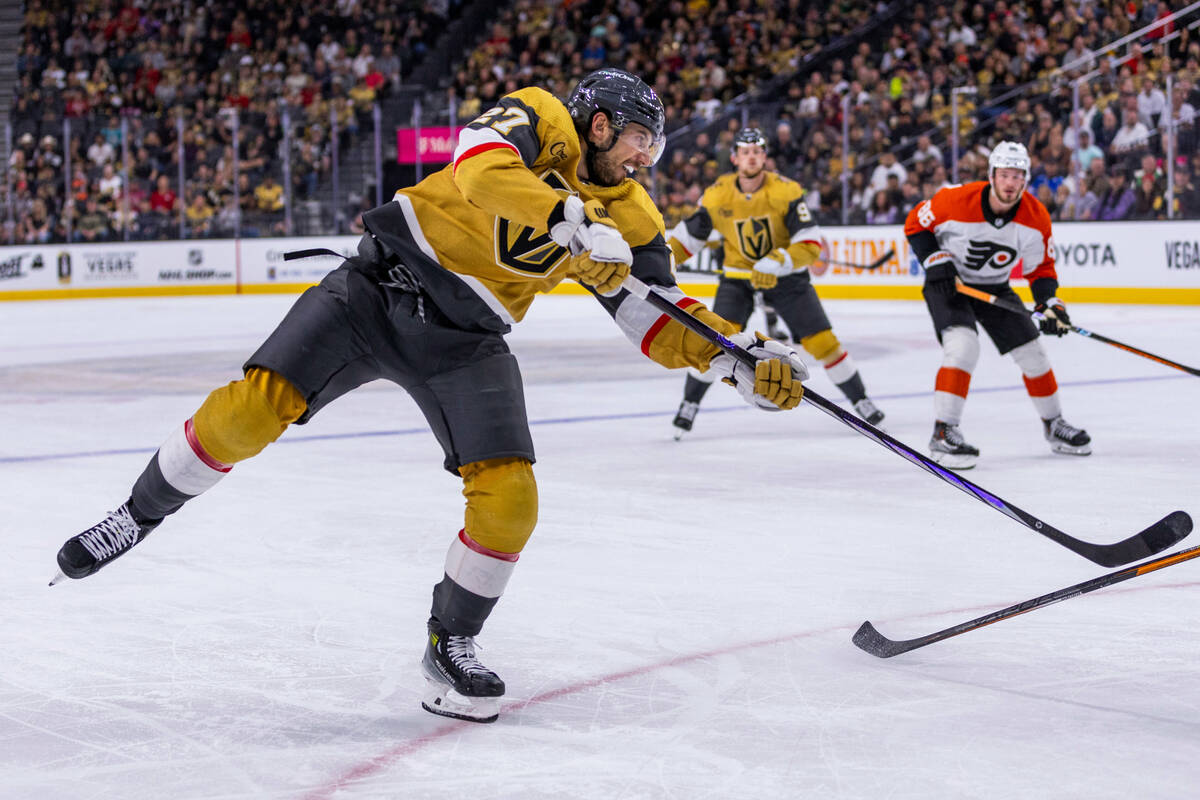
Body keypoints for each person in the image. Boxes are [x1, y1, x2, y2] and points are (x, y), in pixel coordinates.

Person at [49, 69, 808, 725]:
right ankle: (135, 515)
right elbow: (478, 168)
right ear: (600, 123)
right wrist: (567, 220)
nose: (648, 156)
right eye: (641, 137)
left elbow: (657, 316)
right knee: (252, 409)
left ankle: (451, 641)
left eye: (655, 144)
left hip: (466, 341)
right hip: (373, 293)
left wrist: (740, 361)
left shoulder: (635, 215)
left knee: (511, 500)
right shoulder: (542, 117)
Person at [667, 127, 885, 439]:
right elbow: (689, 237)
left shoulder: (787, 190)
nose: (751, 157)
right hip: (738, 280)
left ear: (765, 156)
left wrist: (780, 260)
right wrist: (664, 260)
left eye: (757, 151)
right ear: (735, 158)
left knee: (823, 343)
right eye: (745, 152)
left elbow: (809, 242)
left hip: (785, 278)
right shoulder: (717, 194)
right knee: (713, 343)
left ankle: (861, 400)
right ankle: (689, 404)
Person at [904, 141, 1091, 470]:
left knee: (1034, 354)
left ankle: (1054, 425)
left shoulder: (1036, 218)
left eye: (1017, 176)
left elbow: (1041, 271)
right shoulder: (954, 199)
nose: (1009, 182)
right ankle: (943, 433)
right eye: (1004, 174)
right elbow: (915, 223)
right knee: (963, 348)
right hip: (949, 282)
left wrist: (1051, 304)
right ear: (991, 175)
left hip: (994, 286)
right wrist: (935, 260)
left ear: (1025, 180)